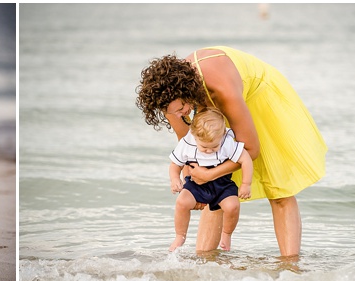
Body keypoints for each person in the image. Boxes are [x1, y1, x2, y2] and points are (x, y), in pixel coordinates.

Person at [136, 46, 327, 257]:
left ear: (186, 91)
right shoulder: (170, 99)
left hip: (258, 96)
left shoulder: (221, 87)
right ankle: (206, 263)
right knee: (210, 188)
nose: (182, 114)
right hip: (217, 103)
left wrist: (209, 174)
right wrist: (194, 181)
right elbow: (188, 146)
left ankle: (291, 266)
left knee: (279, 189)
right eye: (174, 113)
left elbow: (251, 149)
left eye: (182, 108)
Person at [169, 108, 252, 252]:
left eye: (214, 146)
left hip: (222, 184)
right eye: (204, 147)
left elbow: (246, 159)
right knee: (182, 202)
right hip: (196, 184)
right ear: (195, 137)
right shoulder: (187, 143)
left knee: (233, 206)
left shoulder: (226, 142)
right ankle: (180, 236)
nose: (209, 151)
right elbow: (175, 164)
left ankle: (226, 235)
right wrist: (175, 179)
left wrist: (246, 184)